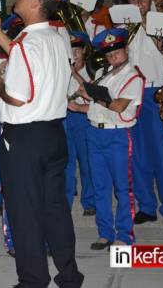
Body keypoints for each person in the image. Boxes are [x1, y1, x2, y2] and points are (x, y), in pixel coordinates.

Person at [0, 0, 83, 288]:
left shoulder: (26, 44)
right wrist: (0, 35)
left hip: (24, 139)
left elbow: (18, 96)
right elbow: (33, 61)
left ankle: (33, 281)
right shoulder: (58, 35)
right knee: (55, 209)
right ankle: (69, 275)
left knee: (25, 214)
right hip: (53, 132)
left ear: (36, 3)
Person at [69, 28, 145, 249]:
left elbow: (118, 106)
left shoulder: (134, 76)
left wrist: (92, 95)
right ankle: (105, 233)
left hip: (117, 134)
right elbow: (93, 107)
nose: (114, 58)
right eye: (109, 54)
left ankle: (125, 234)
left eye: (117, 53)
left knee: (123, 187)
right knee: (99, 185)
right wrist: (73, 104)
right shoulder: (103, 72)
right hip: (94, 132)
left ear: (126, 50)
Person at [120, 0, 163, 229]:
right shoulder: (123, 26)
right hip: (133, 93)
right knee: (137, 155)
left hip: (156, 92)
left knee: (161, 154)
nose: (139, 3)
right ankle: (146, 206)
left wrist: (146, 24)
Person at [65, 31, 95, 215]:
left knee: (86, 161)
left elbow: (92, 92)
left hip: (83, 117)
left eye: (77, 50)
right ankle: (65, 201)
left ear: (84, 50)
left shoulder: (91, 70)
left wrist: (74, 73)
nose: (74, 54)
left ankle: (89, 201)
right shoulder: (61, 68)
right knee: (65, 162)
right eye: (71, 50)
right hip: (65, 117)